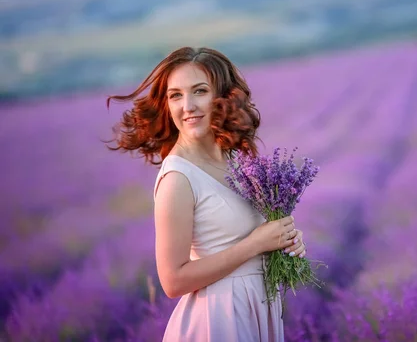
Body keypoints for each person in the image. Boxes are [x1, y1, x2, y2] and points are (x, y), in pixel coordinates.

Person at [106, 47, 307, 341]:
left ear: (223, 97)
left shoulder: (236, 160)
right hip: (217, 321)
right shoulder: (178, 178)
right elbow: (172, 281)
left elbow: (253, 233)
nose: (187, 105)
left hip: (256, 309)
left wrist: (285, 238)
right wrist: (255, 244)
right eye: (175, 95)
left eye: (199, 91)